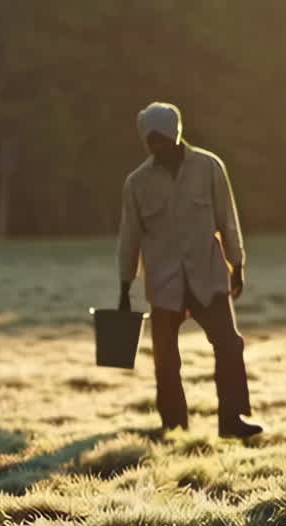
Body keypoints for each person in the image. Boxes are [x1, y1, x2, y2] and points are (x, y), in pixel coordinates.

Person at [117, 101, 263, 439]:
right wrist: (125, 287)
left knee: (229, 345)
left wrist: (236, 263)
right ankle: (174, 425)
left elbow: (227, 219)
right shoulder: (137, 183)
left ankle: (233, 419)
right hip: (164, 282)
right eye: (150, 141)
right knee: (166, 359)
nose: (156, 147)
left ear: (176, 134)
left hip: (208, 275)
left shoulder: (209, 167)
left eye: (162, 139)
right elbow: (129, 237)